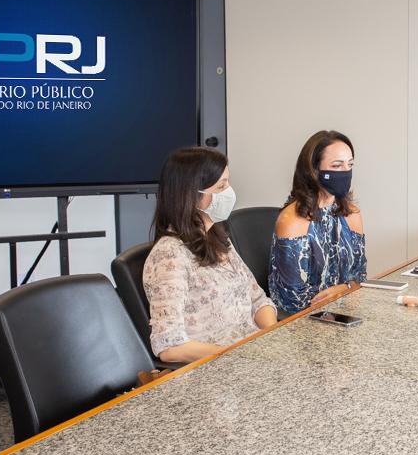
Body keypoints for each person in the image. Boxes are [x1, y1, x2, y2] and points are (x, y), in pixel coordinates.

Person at [143, 147, 277, 363]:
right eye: (221, 186)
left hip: (251, 355)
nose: (229, 192)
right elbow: (169, 346)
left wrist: (273, 337)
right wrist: (237, 354)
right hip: (218, 365)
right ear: (190, 195)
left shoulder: (217, 237)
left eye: (227, 183)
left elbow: (258, 300)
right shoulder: (170, 255)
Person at [269, 130, 367, 314]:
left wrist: (343, 290)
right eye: (337, 165)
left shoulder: (352, 213)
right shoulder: (292, 221)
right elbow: (293, 300)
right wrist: (344, 292)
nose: (346, 172)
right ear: (313, 170)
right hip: (302, 319)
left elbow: (359, 277)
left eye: (350, 164)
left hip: (344, 311)